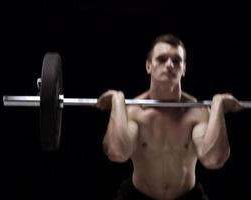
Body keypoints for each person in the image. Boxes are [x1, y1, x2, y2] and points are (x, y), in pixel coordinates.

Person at [96, 34, 242, 200]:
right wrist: (117, 100)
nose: (170, 65)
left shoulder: (198, 112)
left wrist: (217, 105)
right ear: (148, 66)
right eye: (161, 59)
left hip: (188, 196)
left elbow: (214, 160)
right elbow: (117, 153)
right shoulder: (133, 111)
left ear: (184, 68)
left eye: (177, 60)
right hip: (138, 195)